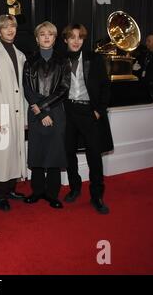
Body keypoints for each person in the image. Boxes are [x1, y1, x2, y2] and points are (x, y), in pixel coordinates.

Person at [61, 23, 114, 214]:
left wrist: (99, 111)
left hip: (89, 112)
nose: (76, 41)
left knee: (94, 155)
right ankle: (75, 188)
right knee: (68, 153)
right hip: (68, 112)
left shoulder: (94, 58)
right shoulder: (60, 60)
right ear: (65, 39)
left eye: (80, 37)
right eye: (72, 37)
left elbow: (105, 87)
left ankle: (97, 196)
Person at [23, 21, 70, 209]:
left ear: (55, 38)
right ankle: (37, 191)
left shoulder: (63, 61)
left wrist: (44, 108)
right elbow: (27, 89)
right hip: (35, 112)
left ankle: (52, 194)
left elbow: (63, 89)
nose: (46, 37)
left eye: (50, 34)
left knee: (54, 153)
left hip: (56, 112)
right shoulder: (29, 61)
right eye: (42, 34)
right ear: (37, 38)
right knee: (37, 152)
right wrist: (41, 111)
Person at [0, 14, 27, 212]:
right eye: (6, 27)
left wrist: (25, 115)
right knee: (2, 154)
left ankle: (10, 189)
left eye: (13, 26)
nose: (10, 30)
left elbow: (23, 88)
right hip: (1, 113)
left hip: (17, 111)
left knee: (14, 152)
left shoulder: (20, 54)